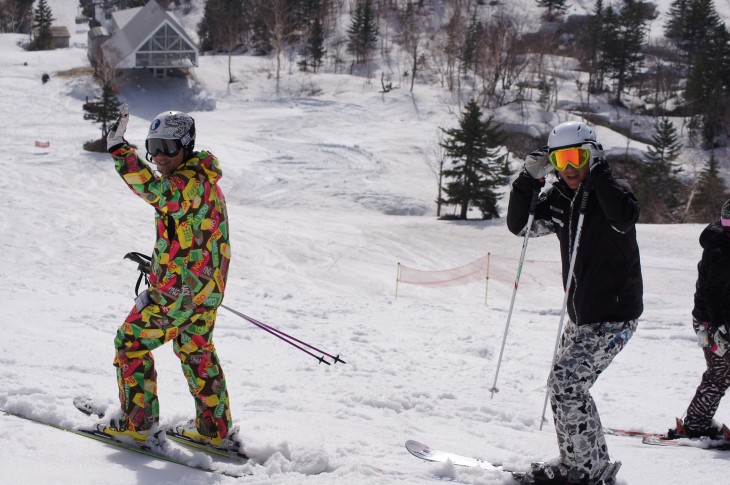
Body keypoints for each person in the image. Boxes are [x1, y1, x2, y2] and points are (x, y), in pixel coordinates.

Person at [507, 121, 643, 484]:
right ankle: (587, 462)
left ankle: (581, 469)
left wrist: (598, 177)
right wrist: (527, 180)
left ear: (593, 154)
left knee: (566, 384)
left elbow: (626, 216)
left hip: (613, 315)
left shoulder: (611, 193)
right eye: (559, 159)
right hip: (582, 316)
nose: (568, 168)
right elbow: (522, 225)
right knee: (564, 387)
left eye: (577, 157)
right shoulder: (559, 200)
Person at [104, 104, 241, 454]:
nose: (159, 156)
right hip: (205, 290)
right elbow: (193, 238)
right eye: (153, 146)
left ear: (187, 146)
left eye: (168, 147)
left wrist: (121, 150)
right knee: (196, 350)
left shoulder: (186, 185)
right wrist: (162, 266)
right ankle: (213, 429)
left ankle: (137, 424)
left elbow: (155, 192)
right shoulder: (203, 182)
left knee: (131, 343)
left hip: (180, 294)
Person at [666, 201, 730, 441]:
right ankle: (695, 425)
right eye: (726, 222)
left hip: (711, 321)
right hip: (711, 323)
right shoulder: (723, 250)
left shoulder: (720, 239)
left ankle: (697, 422)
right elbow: (713, 293)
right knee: (721, 372)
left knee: (720, 372)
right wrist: (720, 326)